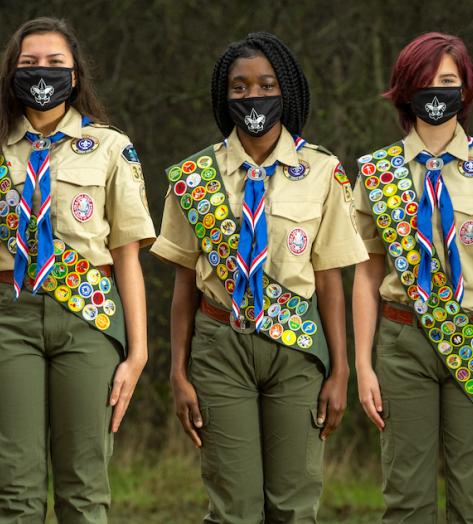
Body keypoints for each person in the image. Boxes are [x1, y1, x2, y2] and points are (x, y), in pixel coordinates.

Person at [0, 17, 155, 523]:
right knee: (13, 487)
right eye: (29, 63)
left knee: (85, 486)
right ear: (10, 73)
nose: (41, 72)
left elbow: (128, 259)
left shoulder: (113, 148)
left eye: (54, 62)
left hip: (91, 318)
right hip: (6, 321)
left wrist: (138, 354)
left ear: (75, 74)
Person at [151, 32, 368, 523]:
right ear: (223, 97)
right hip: (219, 347)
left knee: (293, 506)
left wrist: (340, 370)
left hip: (297, 353)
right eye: (240, 87)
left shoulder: (324, 171)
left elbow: (331, 280)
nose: (253, 96)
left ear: (285, 90)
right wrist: (178, 371)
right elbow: (185, 285)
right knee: (234, 508)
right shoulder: (193, 177)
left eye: (266, 84)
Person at [352, 32, 473, 523]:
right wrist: (363, 364)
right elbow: (366, 274)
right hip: (402, 343)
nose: (436, 91)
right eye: (424, 81)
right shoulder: (377, 173)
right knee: (407, 502)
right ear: (403, 90)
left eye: (448, 81)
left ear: (466, 88)